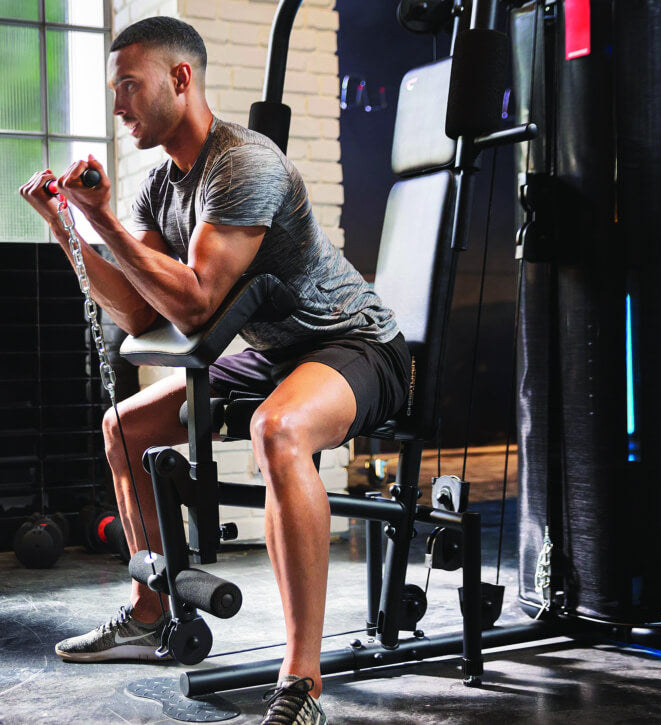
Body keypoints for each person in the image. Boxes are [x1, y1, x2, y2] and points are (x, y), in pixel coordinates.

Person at [19, 16, 410, 725]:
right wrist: (67, 226)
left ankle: (302, 682)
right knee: (125, 427)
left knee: (278, 430)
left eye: (129, 86)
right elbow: (139, 312)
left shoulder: (243, 163)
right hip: (274, 351)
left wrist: (102, 221)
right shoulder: (158, 188)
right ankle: (150, 614)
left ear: (180, 78)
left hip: (355, 342)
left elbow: (196, 300)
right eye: (113, 90)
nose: (118, 105)